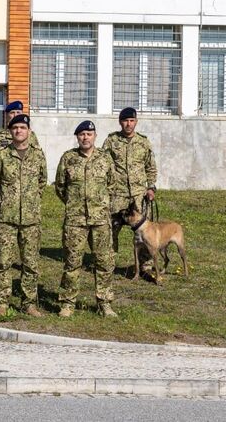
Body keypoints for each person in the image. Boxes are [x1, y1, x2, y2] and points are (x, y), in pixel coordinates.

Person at [54, 121, 118, 318]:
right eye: (81, 134)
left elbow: (112, 185)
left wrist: (100, 205)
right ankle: (67, 303)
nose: (85, 137)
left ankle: (104, 303)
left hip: (100, 220)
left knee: (104, 262)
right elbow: (60, 187)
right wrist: (74, 204)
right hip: (76, 220)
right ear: (77, 137)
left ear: (95, 136)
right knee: (72, 263)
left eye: (89, 134)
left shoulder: (105, 159)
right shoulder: (68, 158)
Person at [0, 114, 47, 318]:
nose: (19, 131)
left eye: (23, 127)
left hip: (31, 219)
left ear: (28, 131)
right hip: (7, 218)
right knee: (3, 262)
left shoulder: (38, 155)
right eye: (15, 128)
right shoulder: (1, 155)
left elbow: (42, 182)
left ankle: (28, 303)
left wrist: (29, 201)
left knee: (30, 263)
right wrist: (7, 202)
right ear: (10, 131)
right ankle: (2, 301)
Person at [102, 107, 158, 257]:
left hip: (139, 195)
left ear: (136, 122)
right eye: (125, 121)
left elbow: (150, 167)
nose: (128, 124)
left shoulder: (143, 142)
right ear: (120, 122)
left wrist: (151, 188)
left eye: (132, 121)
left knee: (146, 232)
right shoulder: (111, 141)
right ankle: (107, 263)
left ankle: (145, 266)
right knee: (110, 230)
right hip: (117, 195)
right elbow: (103, 165)